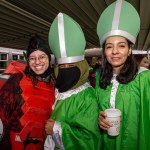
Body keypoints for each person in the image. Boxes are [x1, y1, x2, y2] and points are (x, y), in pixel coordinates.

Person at [96, 0, 150, 150]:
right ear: (104, 51)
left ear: (130, 50)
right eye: (109, 47)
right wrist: (98, 117)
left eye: (121, 46)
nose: (115, 52)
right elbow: (96, 108)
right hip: (105, 144)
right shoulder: (100, 76)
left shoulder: (144, 78)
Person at [44, 13, 101, 150]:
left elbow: (89, 140)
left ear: (81, 67)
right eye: (62, 67)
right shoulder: (57, 90)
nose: (66, 70)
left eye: (71, 66)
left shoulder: (87, 96)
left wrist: (56, 129)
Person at [0, 35, 55, 150]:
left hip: (46, 143)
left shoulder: (57, 83)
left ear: (49, 58)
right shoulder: (16, 80)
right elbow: (3, 115)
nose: (37, 62)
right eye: (32, 58)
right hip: (17, 143)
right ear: (28, 61)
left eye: (42, 57)